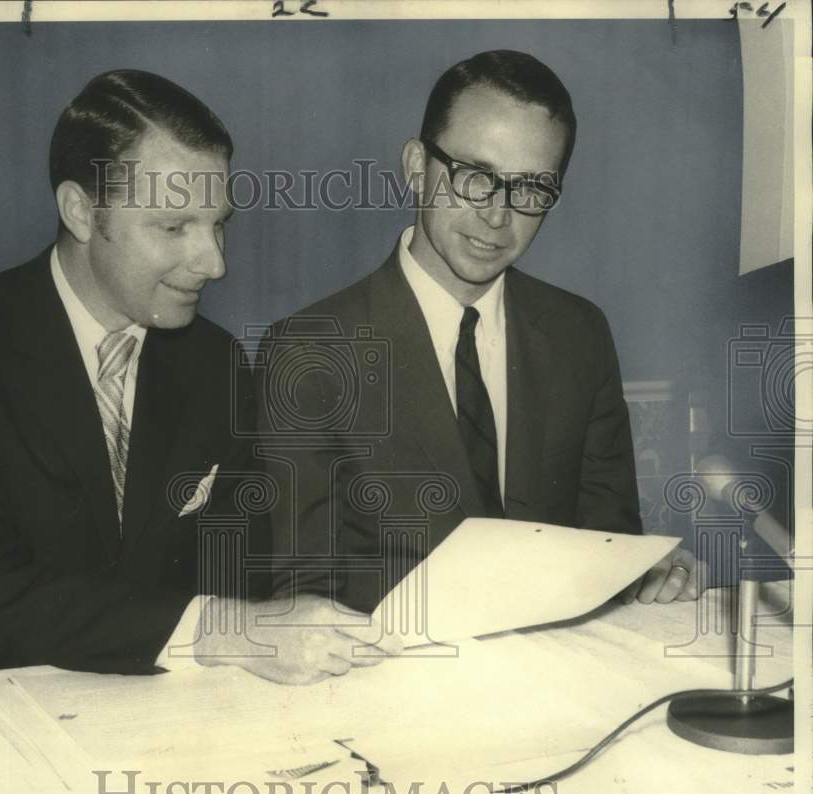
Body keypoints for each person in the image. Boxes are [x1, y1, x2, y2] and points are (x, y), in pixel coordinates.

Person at [0, 69, 399, 687]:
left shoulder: (214, 362)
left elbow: (237, 572)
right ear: (82, 211)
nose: (213, 262)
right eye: (173, 227)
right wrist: (222, 629)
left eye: (218, 223)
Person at [257, 50, 703, 619]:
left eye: (533, 189)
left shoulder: (580, 332)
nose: (499, 216)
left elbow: (608, 540)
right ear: (417, 167)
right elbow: (305, 589)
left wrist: (652, 574)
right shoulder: (308, 348)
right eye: (475, 178)